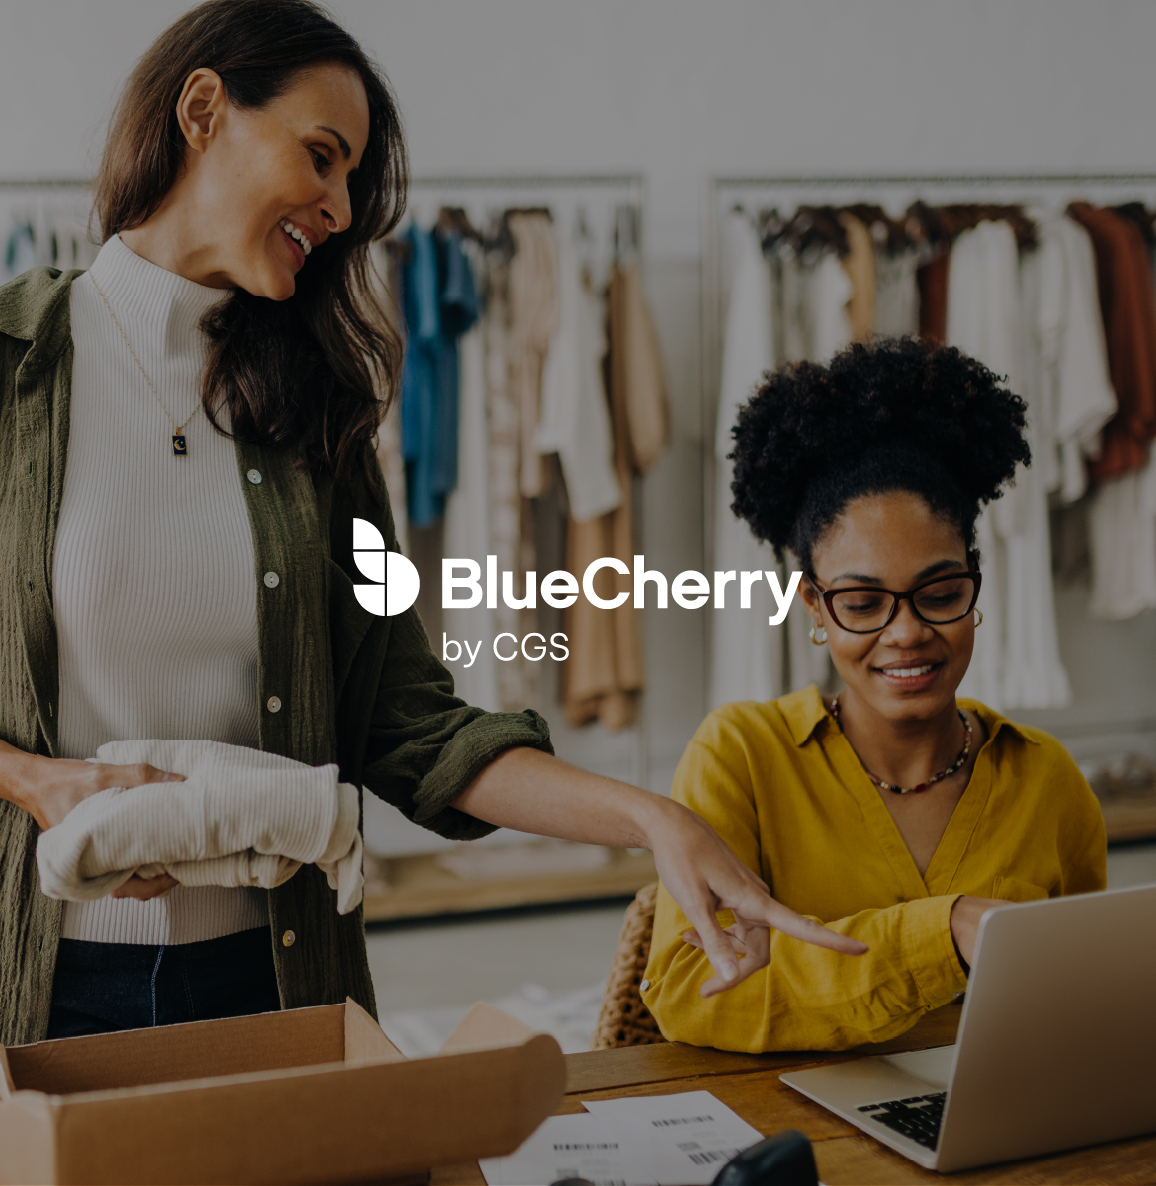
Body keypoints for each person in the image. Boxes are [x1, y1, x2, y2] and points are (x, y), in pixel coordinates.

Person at [0, 0, 863, 1046]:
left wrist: (651, 818)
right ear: (201, 109)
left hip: (276, 984)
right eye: (322, 157)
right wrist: (31, 779)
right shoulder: (17, 374)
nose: (337, 205)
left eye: (351, 181)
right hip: (43, 990)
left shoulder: (313, 420)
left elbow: (407, 721)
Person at [643, 337, 1107, 1052]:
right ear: (814, 609)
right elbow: (690, 996)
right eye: (862, 603)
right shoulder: (742, 756)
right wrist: (944, 932)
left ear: (975, 586)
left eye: (940, 593)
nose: (907, 633)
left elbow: (1083, 1008)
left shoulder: (1047, 779)